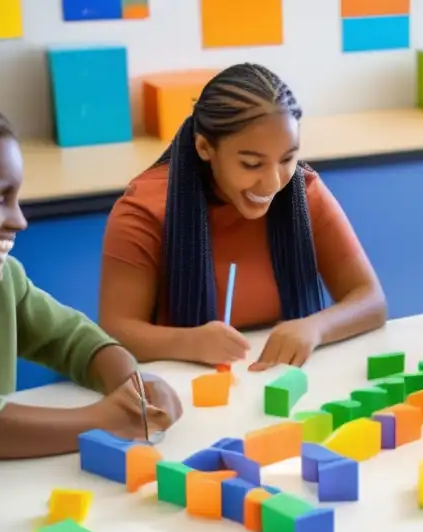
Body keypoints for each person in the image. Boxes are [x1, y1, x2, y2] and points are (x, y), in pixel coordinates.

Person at [99, 63, 386, 370]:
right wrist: (189, 342)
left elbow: (371, 299)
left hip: (283, 382)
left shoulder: (304, 192)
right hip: (186, 391)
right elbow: (114, 332)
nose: (274, 183)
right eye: (252, 164)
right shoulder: (144, 211)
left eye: (288, 159)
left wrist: (315, 328)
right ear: (205, 147)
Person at [0, 90, 182, 461]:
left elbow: (70, 337)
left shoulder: (1, 280)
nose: (19, 220)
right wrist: (100, 421)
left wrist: (131, 383)